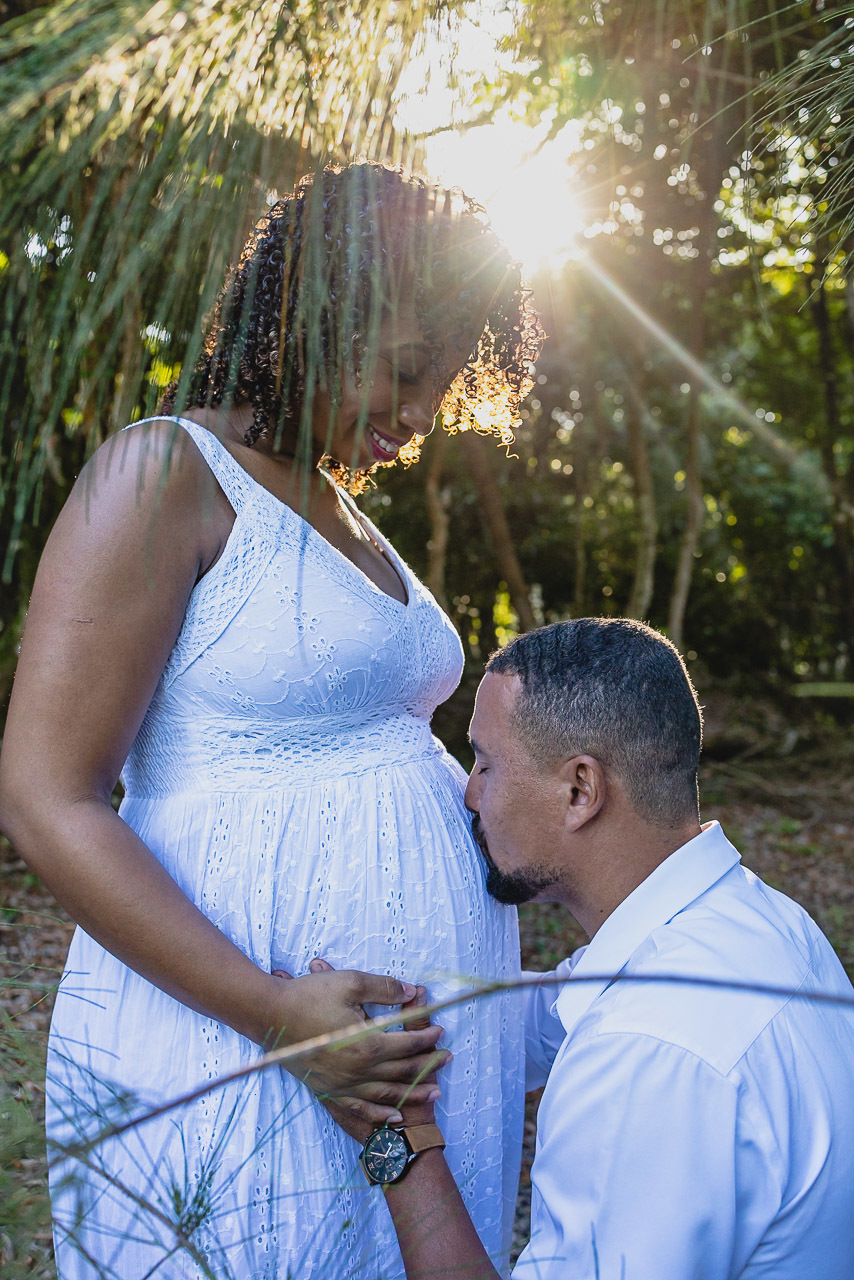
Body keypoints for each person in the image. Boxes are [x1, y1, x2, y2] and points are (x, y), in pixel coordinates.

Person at [0, 163, 544, 1279]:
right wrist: (274, 1012)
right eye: (404, 371)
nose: (416, 417)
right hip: (237, 1037)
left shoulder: (335, 504)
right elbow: (45, 796)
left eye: (440, 387)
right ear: (312, 311)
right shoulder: (163, 471)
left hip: (401, 1081)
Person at [325, 618, 854, 1280]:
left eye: (486, 764)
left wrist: (395, 1132)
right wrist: (368, 1026)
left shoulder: (647, 1053)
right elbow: (542, 1017)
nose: (470, 794)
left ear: (580, 790)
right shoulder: (761, 924)